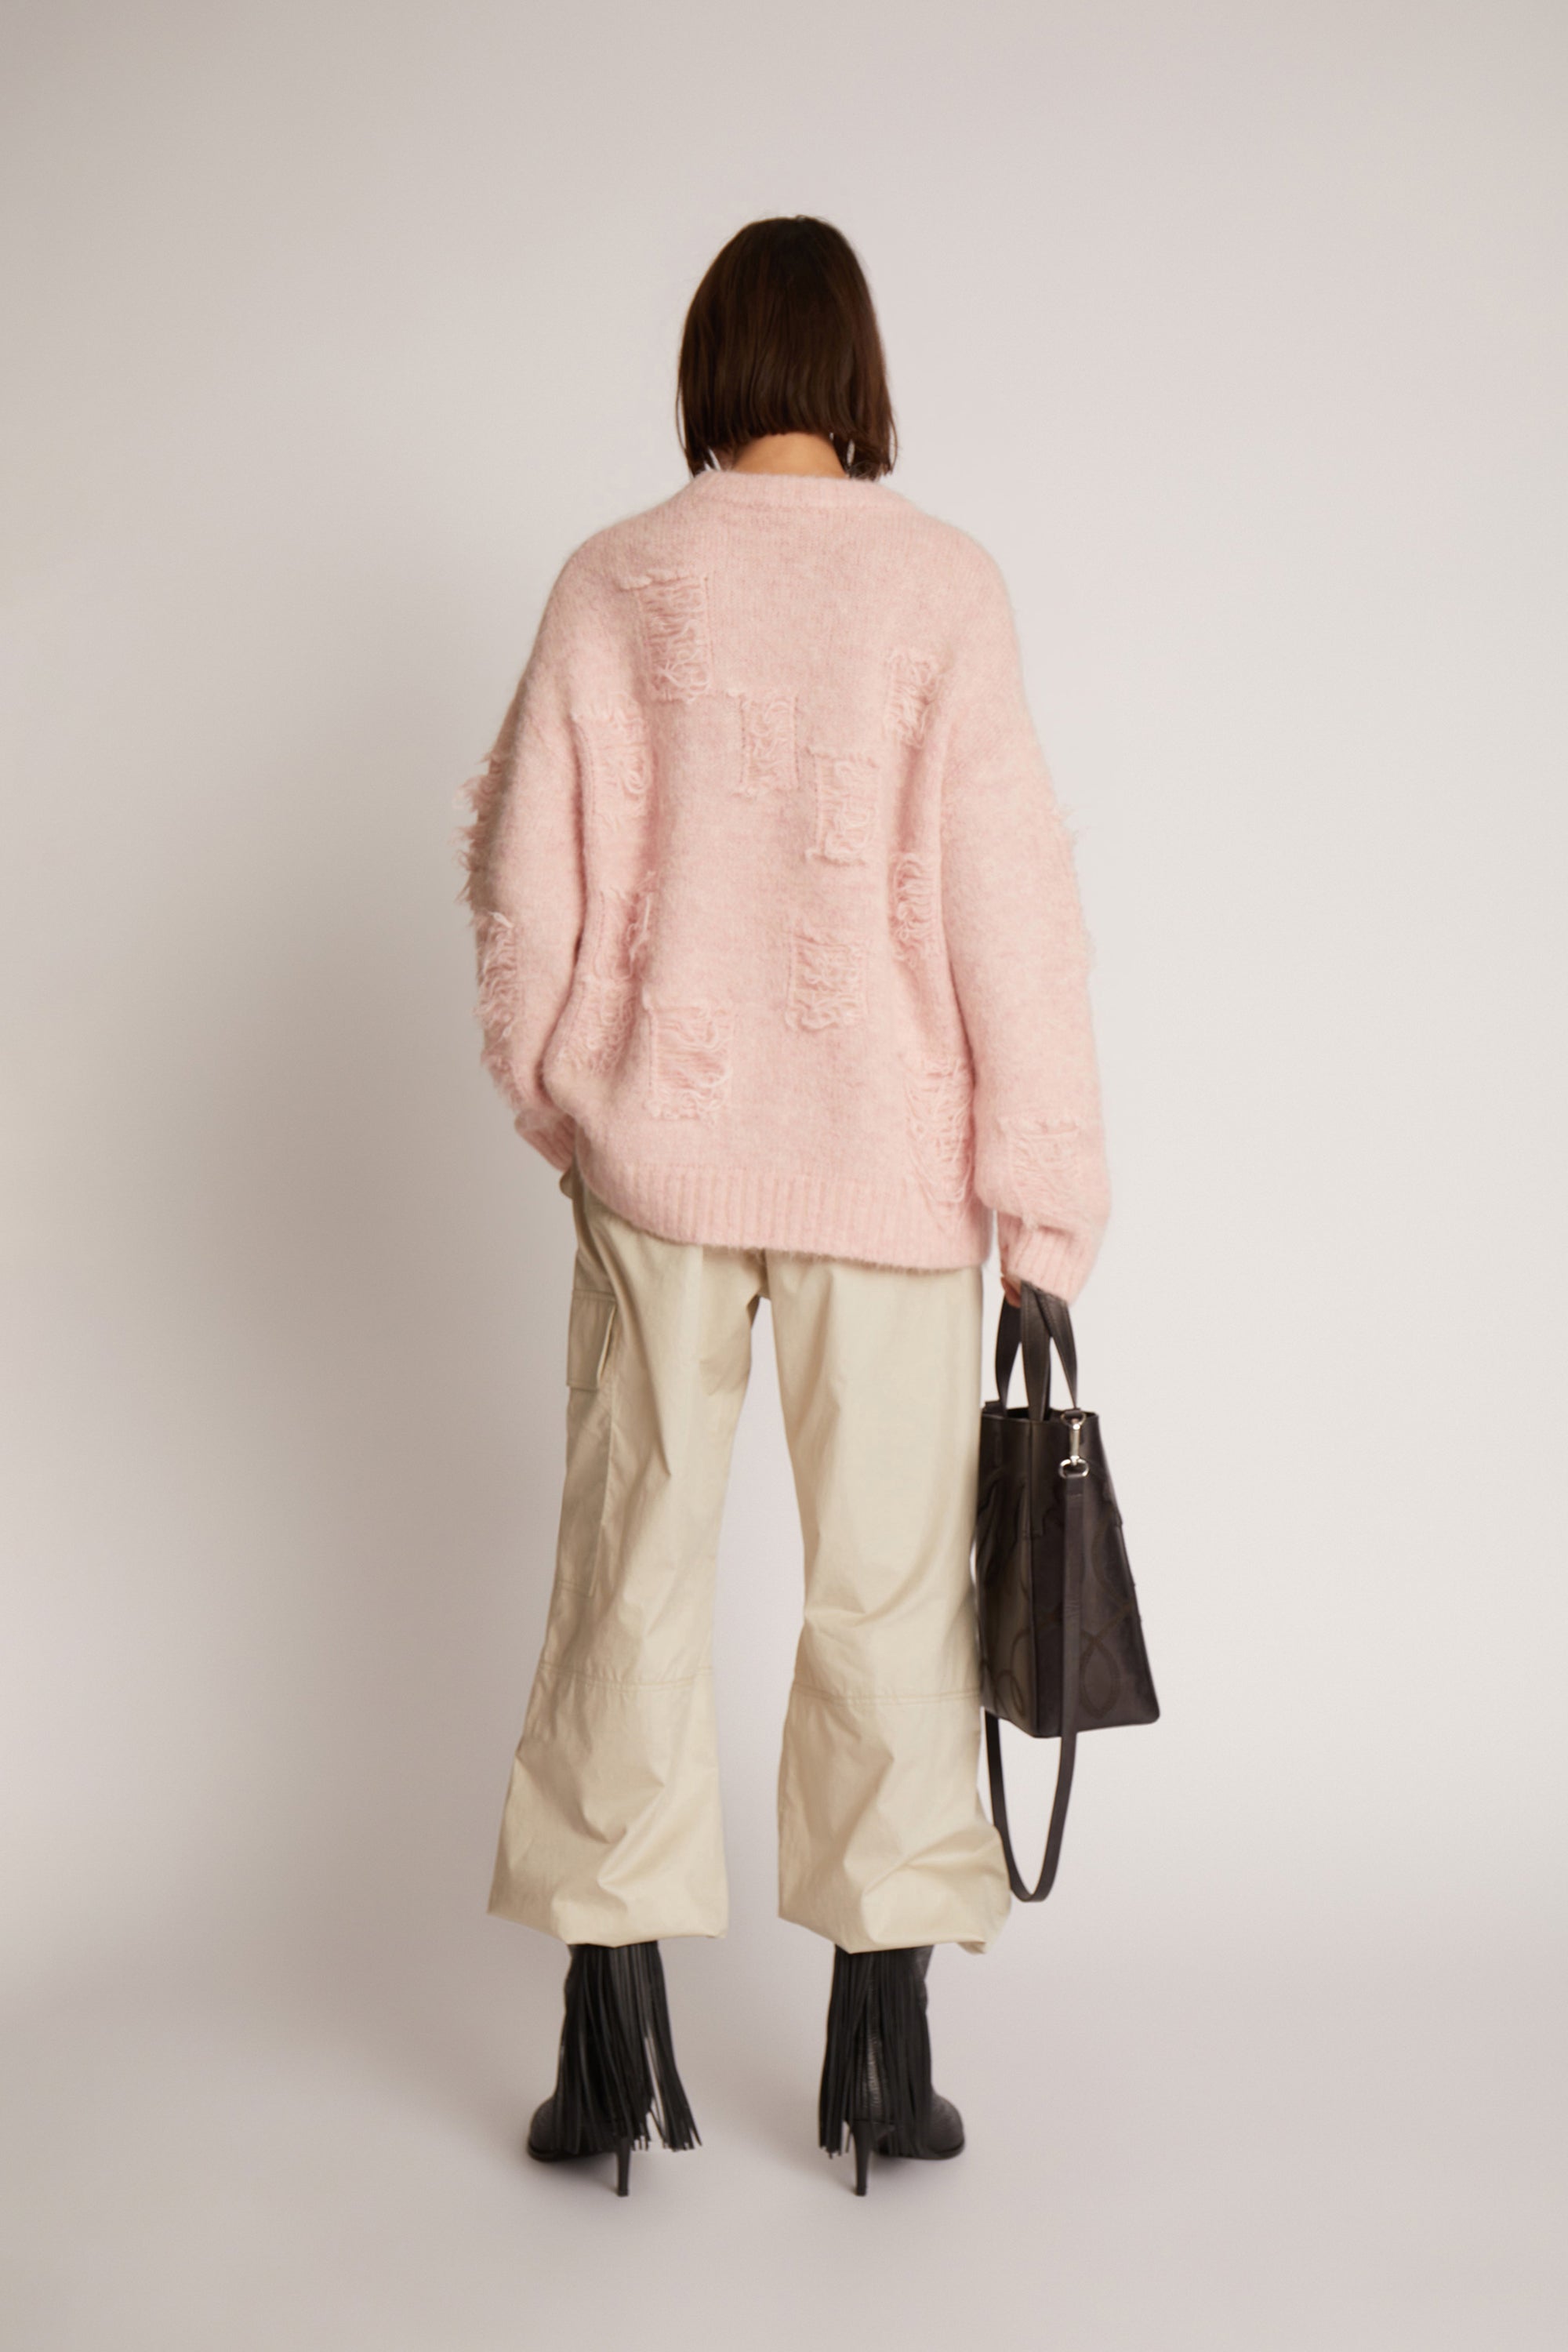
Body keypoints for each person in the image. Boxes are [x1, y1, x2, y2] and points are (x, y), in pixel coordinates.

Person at [458, 215, 1110, 2197]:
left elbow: (522, 879)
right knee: (896, 1598)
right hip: (891, 1181)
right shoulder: (942, 588)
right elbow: (1014, 911)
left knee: (626, 1577)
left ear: (713, 365)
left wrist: (569, 1096)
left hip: (658, 1165)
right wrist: (1042, 1207)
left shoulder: (613, 579)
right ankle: (880, 2067)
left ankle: (604, 2060)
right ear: (857, 373)